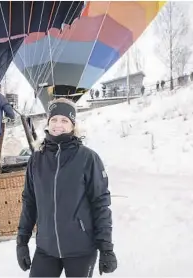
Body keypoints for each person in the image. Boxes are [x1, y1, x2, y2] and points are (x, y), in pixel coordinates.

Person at [16, 98, 117, 277]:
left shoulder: (88, 158)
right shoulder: (36, 160)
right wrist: (22, 242)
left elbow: (100, 204)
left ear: (73, 125)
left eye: (64, 120)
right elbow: (29, 202)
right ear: (47, 123)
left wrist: (106, 248)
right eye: (54, 119)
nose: (58, 125)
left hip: (81, 250)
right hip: (46, 248)